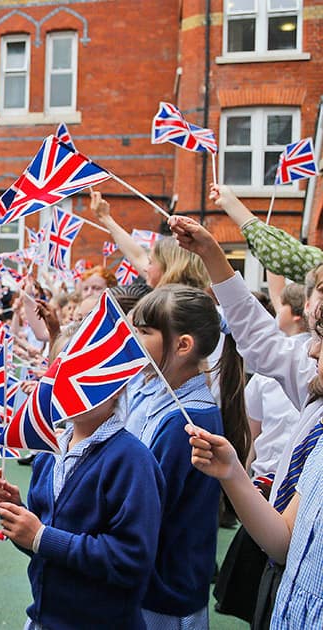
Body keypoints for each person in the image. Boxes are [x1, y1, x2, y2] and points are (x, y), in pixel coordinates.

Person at [171, 211, 323, 627]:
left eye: (321, 338)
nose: (308, 350)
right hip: (287, 584)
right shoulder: (315, 396)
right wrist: (214, 256)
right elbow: (285, 543)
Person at [127, 283, 248, 628]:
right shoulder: (157, 395)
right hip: (150, 582)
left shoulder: (187, 422)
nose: (131, 338)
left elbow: (145, 510)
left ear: (183, 345)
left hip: (165, 595)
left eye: (144, 331)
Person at [0, 392, 165, 629]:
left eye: (87, 372)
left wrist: (42, 537)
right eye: (65, 373)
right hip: (43, 618)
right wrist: (18, 515)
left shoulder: (133, 460)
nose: (73, 386)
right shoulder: (48, 455)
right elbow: (43, 550)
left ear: (116, 387)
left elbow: (130, 560)